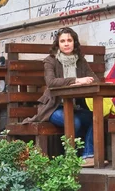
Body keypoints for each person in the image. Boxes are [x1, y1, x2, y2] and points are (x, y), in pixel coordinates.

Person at [22, 27, 99, 167]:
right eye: (62, 41)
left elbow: (95, 79)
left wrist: (87, 81)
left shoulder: (80, 61)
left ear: (74, 42)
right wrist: (76, 80)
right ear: (58, 44)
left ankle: (88, 155)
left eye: (69, 40)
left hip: (74, 107)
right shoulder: (50, 61)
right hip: (53, 108)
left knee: (96, 117)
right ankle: (70, 157)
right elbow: (51, 83)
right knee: (74, 122)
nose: (66, 43)